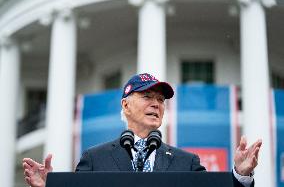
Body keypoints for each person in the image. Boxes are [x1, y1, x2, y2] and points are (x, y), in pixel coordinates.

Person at [23, 73, 262, 187]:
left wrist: (240, 175)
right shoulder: (94, 158)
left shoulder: (186, 162)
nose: (156, 104)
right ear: (126, 105)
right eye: (147, 96)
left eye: (160, 100)